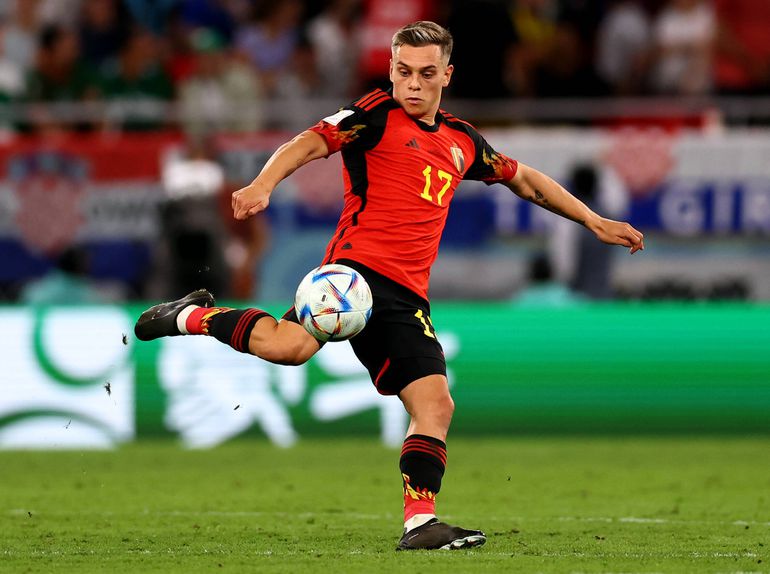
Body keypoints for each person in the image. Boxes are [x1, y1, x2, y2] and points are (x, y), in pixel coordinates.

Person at [135, 21, 644, 551]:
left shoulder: (462, 141)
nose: (413, 84)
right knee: (291, 351)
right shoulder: (373, 114)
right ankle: (189, 316)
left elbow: (524, 179)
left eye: (426, 73)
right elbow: (308, 143)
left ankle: (419, 523)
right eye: (403, 72)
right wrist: (263, 183)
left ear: (447, 75)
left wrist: (594, 221)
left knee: (432, 403)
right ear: (392, 71)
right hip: (352, 276)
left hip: (406, 296)